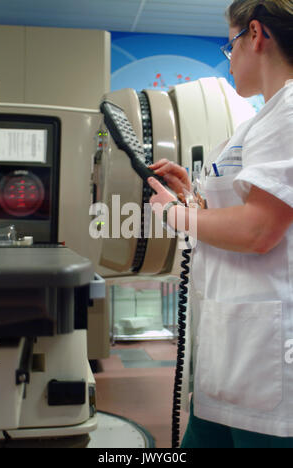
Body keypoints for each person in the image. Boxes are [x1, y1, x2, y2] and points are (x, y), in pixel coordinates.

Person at [147, 0, 293, 449]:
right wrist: (192, 196)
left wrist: (176, 214)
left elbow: (258, 231)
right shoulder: (259, 122)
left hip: (264, 361)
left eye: (230, 46)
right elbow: (243, 211)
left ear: (256, 35)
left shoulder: (288, 112)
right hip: (228, 355)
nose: (228, 60)